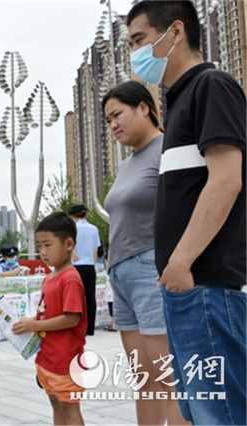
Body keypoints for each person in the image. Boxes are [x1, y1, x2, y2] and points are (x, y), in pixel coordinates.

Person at [126, 2, 246, 425]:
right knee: (198, 411)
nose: (134, 53)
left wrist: (181, 262)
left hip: (205, 285)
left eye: (139, 40)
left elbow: (227, 179)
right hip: (184, 289)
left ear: (175, 31)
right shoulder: (177, 104)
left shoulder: (211, 86)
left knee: (222, 413)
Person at [102, 80, 185, 425]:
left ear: (144, 108)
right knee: (145, 381)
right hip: (121, 277)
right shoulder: (126, 165)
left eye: (117, 114)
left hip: (150, 269)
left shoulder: (169, 149)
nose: (113, 125)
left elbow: (187, 211)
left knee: (170, 380)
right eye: (107, 120)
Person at [12, 212, 86, 426]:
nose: (42, 252)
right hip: (48, 357)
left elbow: (71, 318)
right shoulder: (49, 278)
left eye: (48, 245)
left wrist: (35, 324)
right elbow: (48, 312)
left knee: (70, 408)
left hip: (66, 360)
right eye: (39, 245)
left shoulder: (70, 278)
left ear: (69, 243)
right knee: (56, 405)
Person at [68, 204, 100, 336]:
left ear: (73, 216)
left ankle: (78, 326)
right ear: (85, 214)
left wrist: (74, 256)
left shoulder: (73, 229)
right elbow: (96, 249)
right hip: (89, 266)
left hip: (77, 266)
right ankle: (90, 328)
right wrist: (92, 262)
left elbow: (69, 246)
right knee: (90, 298)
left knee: (76, 297)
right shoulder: (94, 229)